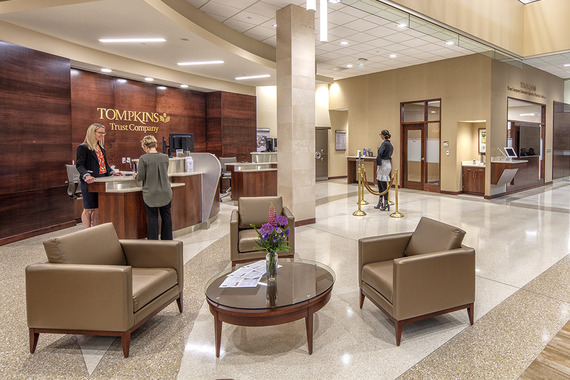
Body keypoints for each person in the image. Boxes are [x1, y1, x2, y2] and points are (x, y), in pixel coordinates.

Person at [76, 123, 121, 228]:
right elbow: (79, 165)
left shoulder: (101, 147)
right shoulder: (83, 147)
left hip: (101, 181)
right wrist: (86, 175)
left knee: (97, 208)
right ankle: (87, 232)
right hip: (90, 182)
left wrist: (112, 171)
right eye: (100, 132)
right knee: (88, 208)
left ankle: (96, 231)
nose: (102, 135)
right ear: (92, 133)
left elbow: (104, 164)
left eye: (103, 132)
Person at [133, 135, 173, 240]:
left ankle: (153, 243)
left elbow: (141, 176)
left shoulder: (143, 159)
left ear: (146, 146)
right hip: (166, 191)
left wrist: (135, 176)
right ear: (155, 145)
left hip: (151, 193)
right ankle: (168, 241)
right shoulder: (165, 157)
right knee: (167, 217)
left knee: (152, 219)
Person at [375, 129, 394, 211]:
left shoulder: (384, 144)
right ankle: (381, 202)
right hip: (387, 164)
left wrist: (378, 162)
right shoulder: (390, 145)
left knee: (382, 184)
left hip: (383, 164)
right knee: (381, 182)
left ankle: (384, 203)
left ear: (382, 135)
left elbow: (380, 154)